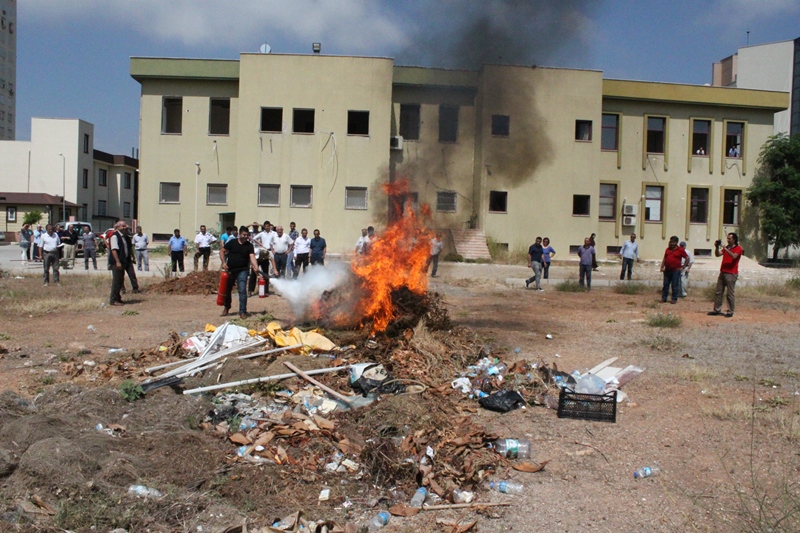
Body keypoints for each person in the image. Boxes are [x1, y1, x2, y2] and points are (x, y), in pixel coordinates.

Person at [220, 225, 261, 319]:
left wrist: (255, 266)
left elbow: (252, 257)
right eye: (244, 235)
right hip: (230, 270)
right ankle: (227, 307)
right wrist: (223, 263)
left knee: (242, 290)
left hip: (243, 270)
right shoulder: (232, 243)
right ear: (239, 234)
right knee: (227, 290)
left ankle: (242, 311)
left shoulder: (249, 246)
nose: (246, 237)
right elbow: (222, 251)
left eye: (247, 235)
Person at [708, 233, 743, 318]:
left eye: (729, 239)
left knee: (730, 293)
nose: (728, 240)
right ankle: (716, 309)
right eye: (727, 239)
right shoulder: (727, 248)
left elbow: (734, 256)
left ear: (734, 239)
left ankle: (730, 311)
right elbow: (718, 254)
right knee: (718, 292)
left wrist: (725, 248)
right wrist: (717, 247)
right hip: (723, 272)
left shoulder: (738, 248)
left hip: (731, 273)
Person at [109, 220, 137, 305]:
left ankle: (118, 298)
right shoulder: (115, 236)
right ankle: (113, 300)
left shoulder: (124, 237)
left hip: (124, 261)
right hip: (117, 262)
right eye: (123, 226)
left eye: (125, 226)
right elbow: (114, 250)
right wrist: (117, 262)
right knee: (116, 282)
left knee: (120, 281)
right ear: (117, 227)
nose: (125, 227)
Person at [659, 236, 688, 304]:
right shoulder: (667, 249)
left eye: (673, 242)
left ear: (676, 243)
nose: (672, 243)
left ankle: (674, 299)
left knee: (674, 285)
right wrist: (662, 266)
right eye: (671, 242)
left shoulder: (680, 250)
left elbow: (687, 258)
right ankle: (664, 298)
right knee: (665, 285)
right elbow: (665, 258)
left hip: (675, 270)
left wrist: (683, 267)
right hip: (667, 270)